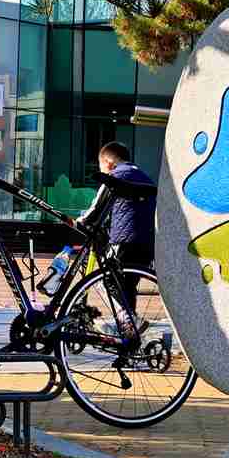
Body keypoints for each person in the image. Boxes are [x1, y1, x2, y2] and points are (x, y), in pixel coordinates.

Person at [79, 141, 155, 336]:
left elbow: (96, 209)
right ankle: (129, 332)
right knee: (128, 285)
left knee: (109, 281)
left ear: (108, 162)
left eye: (101, 166)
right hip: (147, 243)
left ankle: (129, 321)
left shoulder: (116, 176)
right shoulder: (145, 177)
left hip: (123, 240)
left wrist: (79, 222)